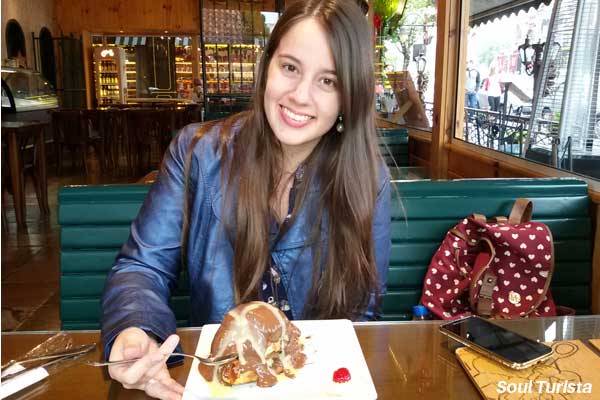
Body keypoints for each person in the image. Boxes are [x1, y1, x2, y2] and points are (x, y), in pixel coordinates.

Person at [100, 1, 392, 399]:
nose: (301, 96)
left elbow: (362, 309)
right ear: (266, 67)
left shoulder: (367, 178)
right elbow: (143, 267)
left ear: (349, 96)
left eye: (329, 81)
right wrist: (134, 327)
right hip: (219, 383)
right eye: (290, 68)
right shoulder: (196, 152)